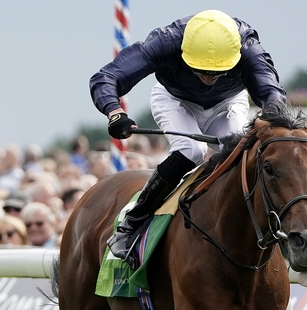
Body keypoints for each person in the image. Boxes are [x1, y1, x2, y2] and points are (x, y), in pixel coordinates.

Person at [90, 9, 286, 268]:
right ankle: (133, 221)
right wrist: (115, 112)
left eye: (216, 72)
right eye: (200, 70)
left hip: (228, 103)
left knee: (237, 153)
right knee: (191, 150)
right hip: (174, 99)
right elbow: (106, 77)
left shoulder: (249, 48)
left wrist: (271, 117)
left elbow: (272, 95)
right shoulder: (167, 40)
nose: (207, 79)